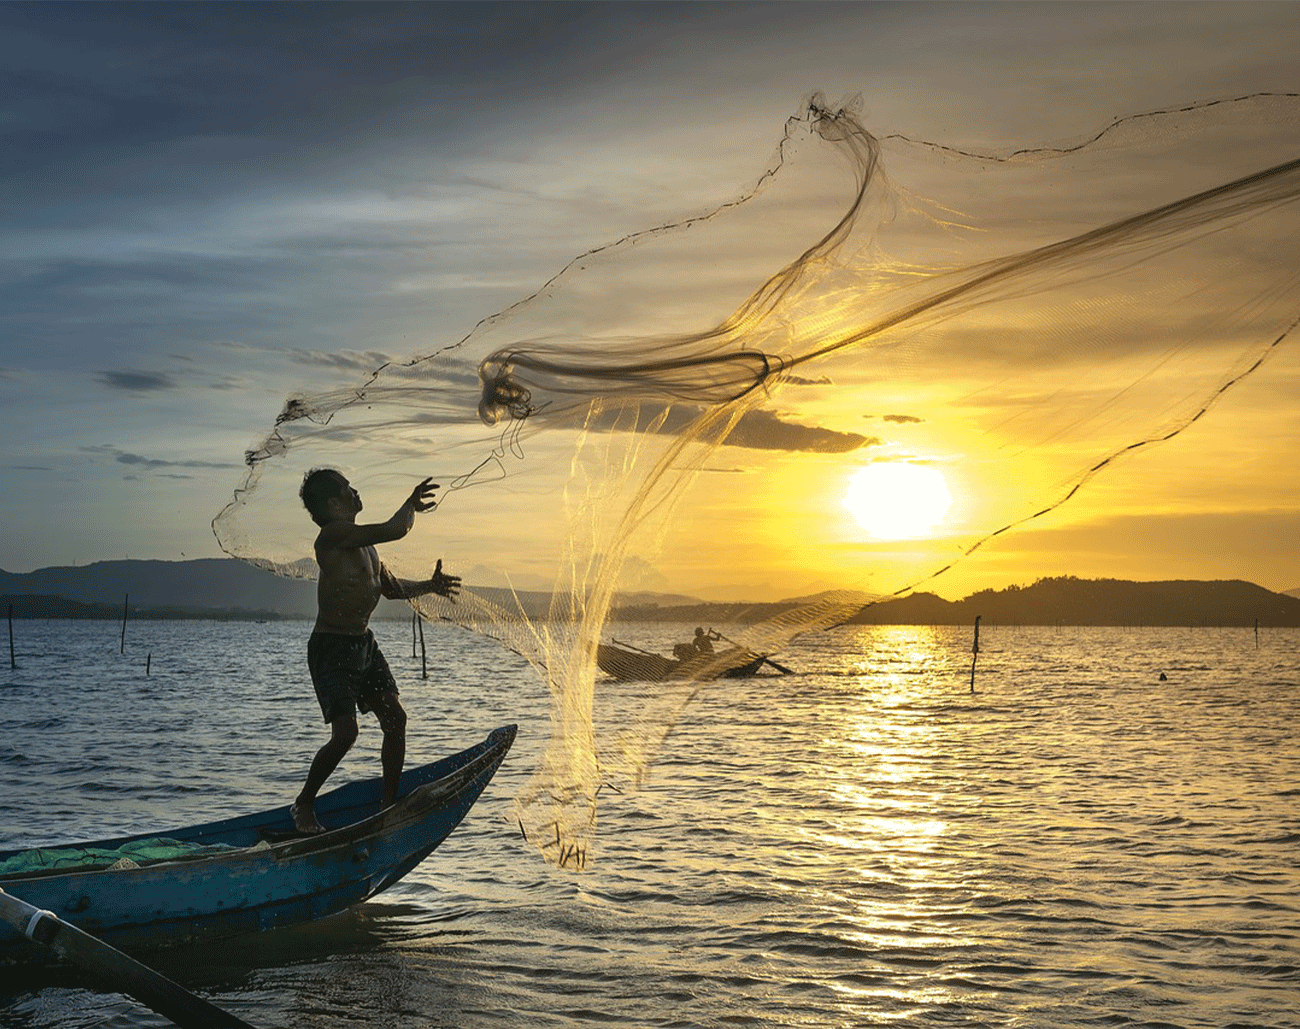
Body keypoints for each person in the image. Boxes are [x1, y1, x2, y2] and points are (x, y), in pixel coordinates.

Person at [291, 468, 461, 835]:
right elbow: (396, 529)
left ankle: (388, 805)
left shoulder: (366, 546)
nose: (355, 491)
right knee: (345, 734)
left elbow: (392, 590)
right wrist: (411, 504)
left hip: (363, 644)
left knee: (395, 719)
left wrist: (429, 586)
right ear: (334, 503)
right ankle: (303, 803)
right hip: (332, 648)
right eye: (347, 488)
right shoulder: (332, 536)